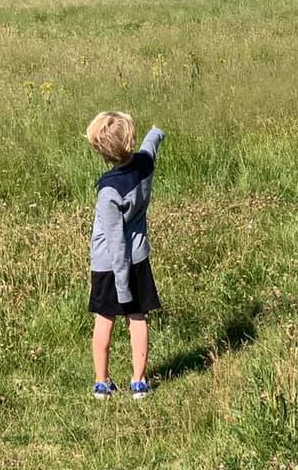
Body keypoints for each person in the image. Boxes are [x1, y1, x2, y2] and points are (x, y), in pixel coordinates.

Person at [84, 111, 165, 399]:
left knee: (105, 319)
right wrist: (156, 132)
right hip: (139, 259)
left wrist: (120, 283)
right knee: (137, 318)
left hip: (110, 265)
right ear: (129, 140)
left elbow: (115, 241)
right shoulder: (145, 165)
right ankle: (139, 381)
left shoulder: (109, 190)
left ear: (101, 151)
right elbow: (150, 146)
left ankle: (102, 382)